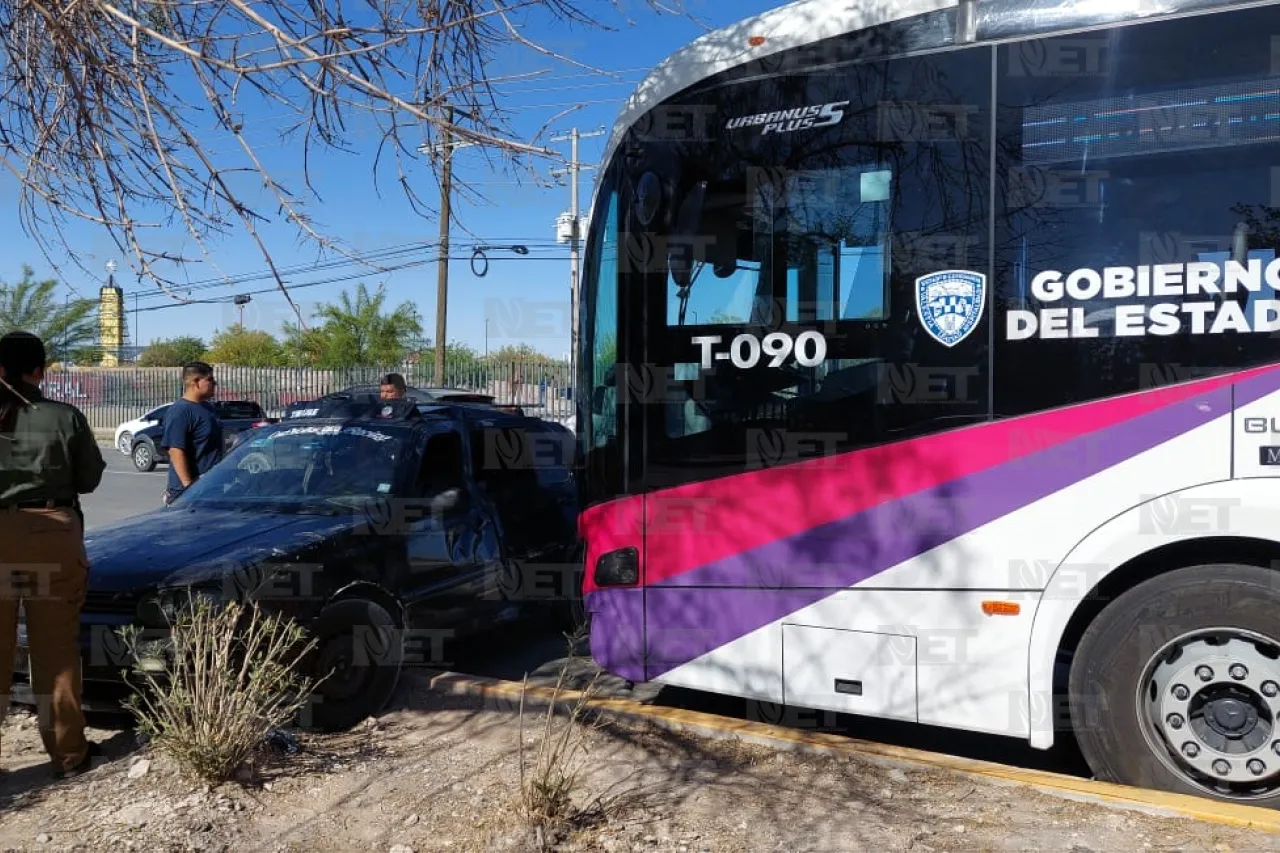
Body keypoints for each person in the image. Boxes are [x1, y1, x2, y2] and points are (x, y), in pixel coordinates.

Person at [0, 331, 105, 778]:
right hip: (50, 532)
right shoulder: (64, 417)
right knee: (55, 652)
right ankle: (68, 754)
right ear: (40, 371)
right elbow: (89, 480)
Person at [162, 361, 223, 505]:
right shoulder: (180, 411)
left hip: (211, 487)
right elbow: (176, 450)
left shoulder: (208, 408)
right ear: (196, 382)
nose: (215, 383)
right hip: (189, 494)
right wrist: (189, 488)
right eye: (210, 380)